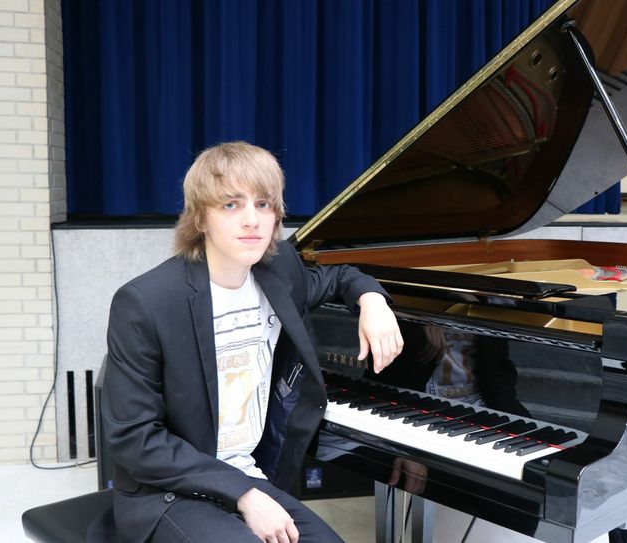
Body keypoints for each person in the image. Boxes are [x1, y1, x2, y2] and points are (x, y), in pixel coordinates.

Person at [98, 141, 404, 543]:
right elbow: (135, 439)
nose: (252, 220)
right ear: (200, 218)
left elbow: (337, 277)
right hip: (168, 492)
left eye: (263, 205)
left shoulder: (278, 271)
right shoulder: (146, 302)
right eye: (231, 205)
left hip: (250, 474)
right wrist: (242, 493)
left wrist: (372, 299)